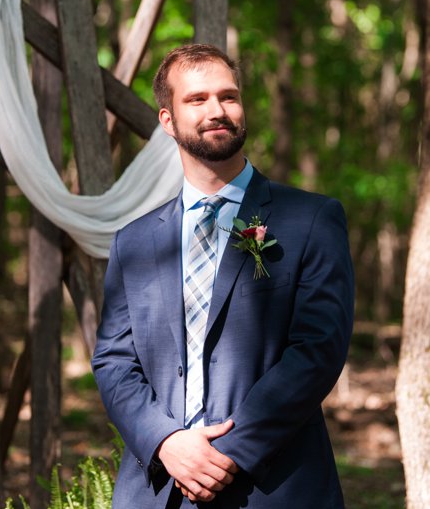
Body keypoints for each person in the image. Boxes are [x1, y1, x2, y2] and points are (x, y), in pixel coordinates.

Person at [91, 44, 354, 508]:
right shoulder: (133, 243)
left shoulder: (310, 220)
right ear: (167, 120)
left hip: (273, 486)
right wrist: (166, 442)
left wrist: (229, 452)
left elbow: (318, 350)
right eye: (197, 99)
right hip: (159, 488)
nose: (218, 110)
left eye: (228, 96)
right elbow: (113, 361)